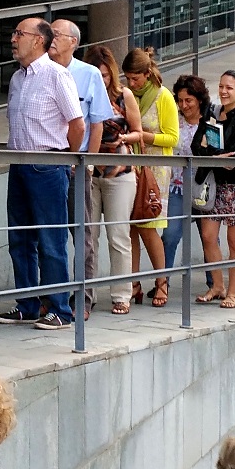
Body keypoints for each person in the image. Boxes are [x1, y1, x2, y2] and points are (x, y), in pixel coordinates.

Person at [0, 18, 82, 329]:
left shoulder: (57, 75)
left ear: (38, 41)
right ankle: (27, 304)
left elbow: (77, 124)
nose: (13, 38)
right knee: (19, 238)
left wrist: (68, 159)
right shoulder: (18, 79)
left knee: (51, 240)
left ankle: (60, 309)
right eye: (15, 32)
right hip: (19, 165)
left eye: (20, 33)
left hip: (47, 164)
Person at [49, 20, 114, 304]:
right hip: (48, 165)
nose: (49, 39)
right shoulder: (38, 71)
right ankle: (52, 296)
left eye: (56, 34)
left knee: (83, 232)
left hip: (77, 165)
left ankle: (84, 296)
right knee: (48, 234)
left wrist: (89, 163)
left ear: (73, 42)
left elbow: (97, 122)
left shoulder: (89, 74)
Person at [119, 46, 178, 308]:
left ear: (146, 73)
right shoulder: (126, 95)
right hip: (132, 167)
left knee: (149, 228)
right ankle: (133, 283)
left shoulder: (162, 96)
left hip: (156, 169)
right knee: (130, 226)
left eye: (135, 78)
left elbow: (172, 137)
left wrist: (143, 135)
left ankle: (161, 282)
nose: (131, 83)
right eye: (128, 78)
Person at [85, 44, 139, 315]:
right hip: (90, 172)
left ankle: (121, 294)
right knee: (88, 235)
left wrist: (124, 139)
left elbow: (139, 132)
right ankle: (87, 294)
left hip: (120, 171)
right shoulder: (81, 92)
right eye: (97, 73)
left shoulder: (123, 94)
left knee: (118, 235)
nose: (102, 79)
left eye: (105, 74)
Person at [199, 70, 235, 307]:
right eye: (221, 86)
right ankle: (217, 285)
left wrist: (216, 155)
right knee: (208, 236)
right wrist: (217, 156)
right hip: (214, 182)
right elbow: (198, 147)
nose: (223, 91)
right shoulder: (212, 112)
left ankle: (232, 292)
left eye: (229, 87)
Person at [176, 74, 222, 300]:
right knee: (170, 234)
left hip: (204, 185)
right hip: (177, 184)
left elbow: (215, 153)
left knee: (209, 236)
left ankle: (215, 283)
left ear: (200, 100)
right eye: (180, 100)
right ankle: (162, 282)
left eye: (189, 101)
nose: (184, 105)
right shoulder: (175, 119)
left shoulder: (211, 121)